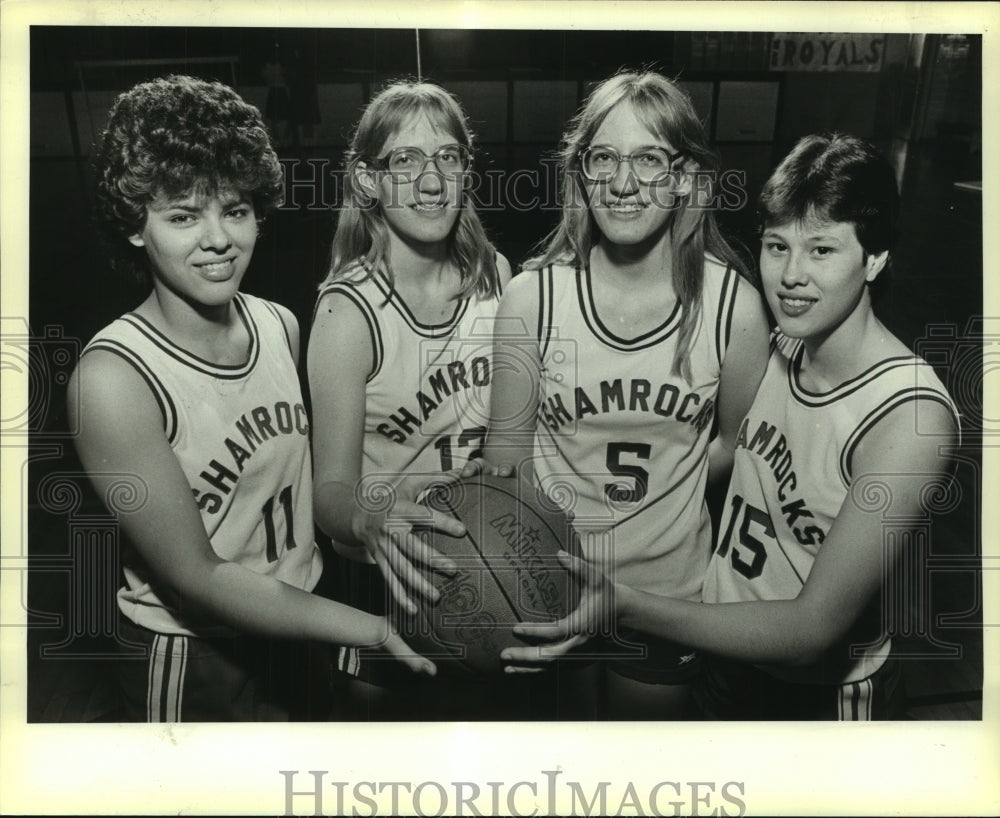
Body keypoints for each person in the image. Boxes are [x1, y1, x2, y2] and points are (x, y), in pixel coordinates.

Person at [521, 133, 959, 720]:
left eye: (822, 251)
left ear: (875, 257)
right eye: (777, 246)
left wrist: (625, 606)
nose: (791, 275)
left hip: (812, 699)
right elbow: (696, 444)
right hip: (717, 653)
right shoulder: (778, 352)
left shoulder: (908, 417)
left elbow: (810, 631)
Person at [68, 75, 433, 723]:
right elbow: (197, 575)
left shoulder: (278, 324)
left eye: (234, 209)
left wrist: (370, 516)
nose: (218, 239)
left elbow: (301, 492)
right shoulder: (114, 379)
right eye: (183, 215)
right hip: (200, 658)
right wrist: (368, 628)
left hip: (301, 625)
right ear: (134, 224)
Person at [484, 70, 770, 719]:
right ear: (581, 173)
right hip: (552, 582)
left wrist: (675, 484)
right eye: (604, 157)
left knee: (644, 770)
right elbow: (507, 461)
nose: (622, 181)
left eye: (649, 159)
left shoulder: (735, 308)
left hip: (670, 592)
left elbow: (736, 444)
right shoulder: (533, 299)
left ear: (688, 177)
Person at [308, 80, 512, 718]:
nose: (432, 181)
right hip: (386, 574)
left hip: (486, 558)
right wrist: (374, 517)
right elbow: (330, 493)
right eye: (405, 161)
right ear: (367, 182)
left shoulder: (495, 276)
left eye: (448, 158)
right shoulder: (348, 312)